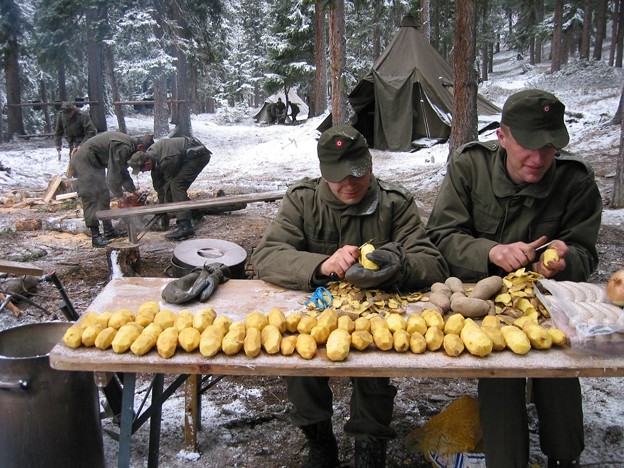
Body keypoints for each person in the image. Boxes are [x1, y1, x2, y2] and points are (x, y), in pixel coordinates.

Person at [251, 124, 448, 467]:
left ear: (370, 164)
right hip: (317, 308)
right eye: (338, 176)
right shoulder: (303, 200)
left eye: (357, 173)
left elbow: (433, 263)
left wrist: (398, 268)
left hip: (377, 311)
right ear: (323, 172)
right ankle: (319, 440)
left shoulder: (393, 204)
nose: (350, 184)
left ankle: (369, 444)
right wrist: (321, 264)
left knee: (374, 368)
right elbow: (267, 256)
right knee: (300, 365)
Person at [426, 89, 602, 468]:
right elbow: (440, 235)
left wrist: (563, 263)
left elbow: (586, 252)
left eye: (550, 147)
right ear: (502, 137)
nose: (538, 159)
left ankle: (564, 456)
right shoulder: (470, 167)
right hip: (482, 299)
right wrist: (490, 252)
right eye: (528, 146)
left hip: (548, 299)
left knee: (558, 366)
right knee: (500, 372)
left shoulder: (575, 180)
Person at [70, 131, 154, 247]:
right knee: (90, 195)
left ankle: (108, 230)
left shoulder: (129, 148)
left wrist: (133, 190)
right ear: (140, 147)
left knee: (103, 194)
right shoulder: (124, 147)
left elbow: (122, 170)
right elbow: (113, 177)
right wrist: (120, 197)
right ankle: (95, 237)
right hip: (85, 159)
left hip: (96, 161)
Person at [128, 136, 212, 241]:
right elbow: (159, 188)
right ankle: (196, 214)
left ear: (148, 163)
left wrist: (166, 210)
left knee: (176, 186)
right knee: (172, 189)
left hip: (198, 156)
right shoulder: (152, 157)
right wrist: (161, 211)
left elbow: (168, 188)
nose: (143, 172)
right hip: (184, 156)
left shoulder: (166, 161)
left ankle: (185, 226)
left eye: (142, 169)